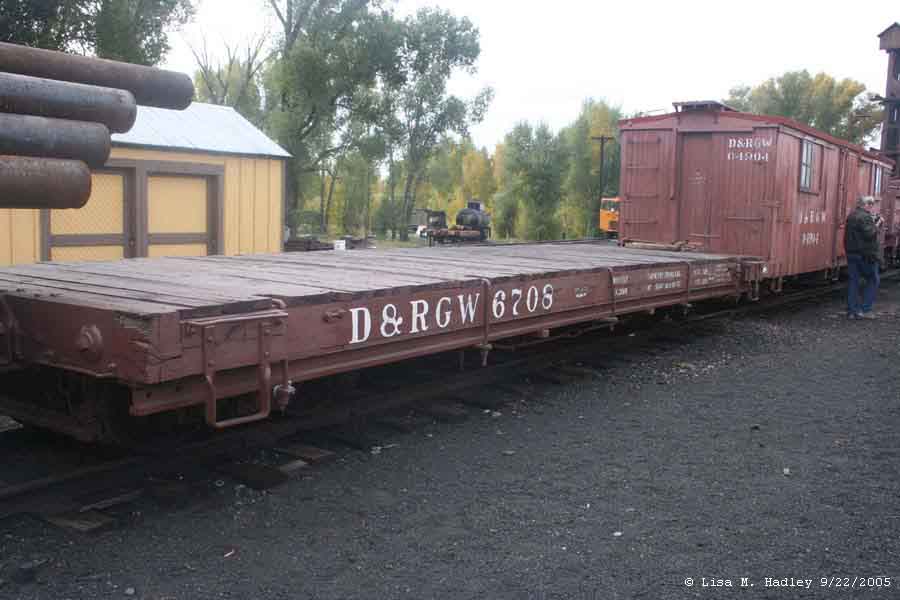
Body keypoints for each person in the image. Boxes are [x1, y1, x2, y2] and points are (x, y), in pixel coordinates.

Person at [844, 195, 883, 319]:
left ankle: (852, 311)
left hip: (851, 254)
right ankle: (865, 309)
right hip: (865, 255)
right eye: (870, 204)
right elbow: (870, 235)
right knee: (873, 279)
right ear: (865, 205)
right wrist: (878, 223)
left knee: (853, 282)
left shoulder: (851, 215)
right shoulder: (865, 217)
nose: (872, 206)